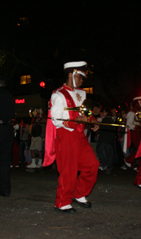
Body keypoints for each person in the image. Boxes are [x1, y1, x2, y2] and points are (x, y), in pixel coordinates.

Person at [43, 61, 99, 213]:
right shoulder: (58, 94)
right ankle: (61, 202)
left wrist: (92, 121)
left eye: (82, 76)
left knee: (92, 165)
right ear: (70, 75)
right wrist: (75, 122)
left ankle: (79, 193)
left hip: (80, 136)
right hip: (66, 135)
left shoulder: (81, 93)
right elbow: (55, 119)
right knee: (68, 171)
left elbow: (84, 114)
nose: (82, 80)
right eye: (79, 76)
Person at [124, 97, 141, 170]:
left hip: (140, 132)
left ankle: (138, 166)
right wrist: (135, 126)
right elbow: (129, 124)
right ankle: (129, 160)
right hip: (134, 132)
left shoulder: (139, 112)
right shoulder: (131, 113)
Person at [96, 108, 117, 174]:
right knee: (109, 153)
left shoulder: (105, 119)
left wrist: (98, 134)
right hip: (109, 139)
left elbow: (102, 129)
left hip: (103, 139)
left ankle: (104, 163)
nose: (103, 113)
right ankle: (109, 166)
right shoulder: (111, 120)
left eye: (104, 112)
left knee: (99, 150)